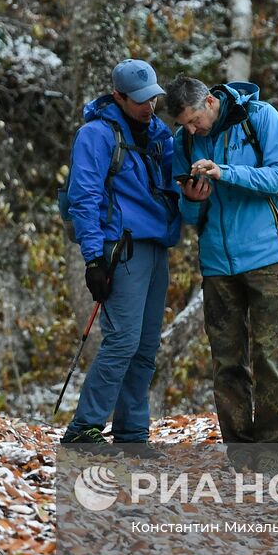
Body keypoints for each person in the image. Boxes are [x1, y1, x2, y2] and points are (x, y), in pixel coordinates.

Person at [165, 77, 278, 454]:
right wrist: (193, 199)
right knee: (226, 364)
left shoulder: (259, 118)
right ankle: (240, 456)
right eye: (183, 124)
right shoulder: (184, 142)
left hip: (268, 258)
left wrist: (225, 172)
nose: (190, 130)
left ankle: (270, 455)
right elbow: (189, 215)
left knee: (270, 359)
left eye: (194, 120)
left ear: (210, 102)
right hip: (217, 266)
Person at [60, 59, 181, 446]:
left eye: (153, 98)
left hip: (157, 248)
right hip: (122, 250)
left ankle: (132, 435)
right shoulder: (95, 135)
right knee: (123, 341)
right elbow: (83, 198)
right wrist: (94, 259)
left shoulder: (160, 135)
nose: (149, 106)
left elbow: (175, 184)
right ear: (118, 96)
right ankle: (84, 429)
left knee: (146, 347)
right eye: (140, 100)